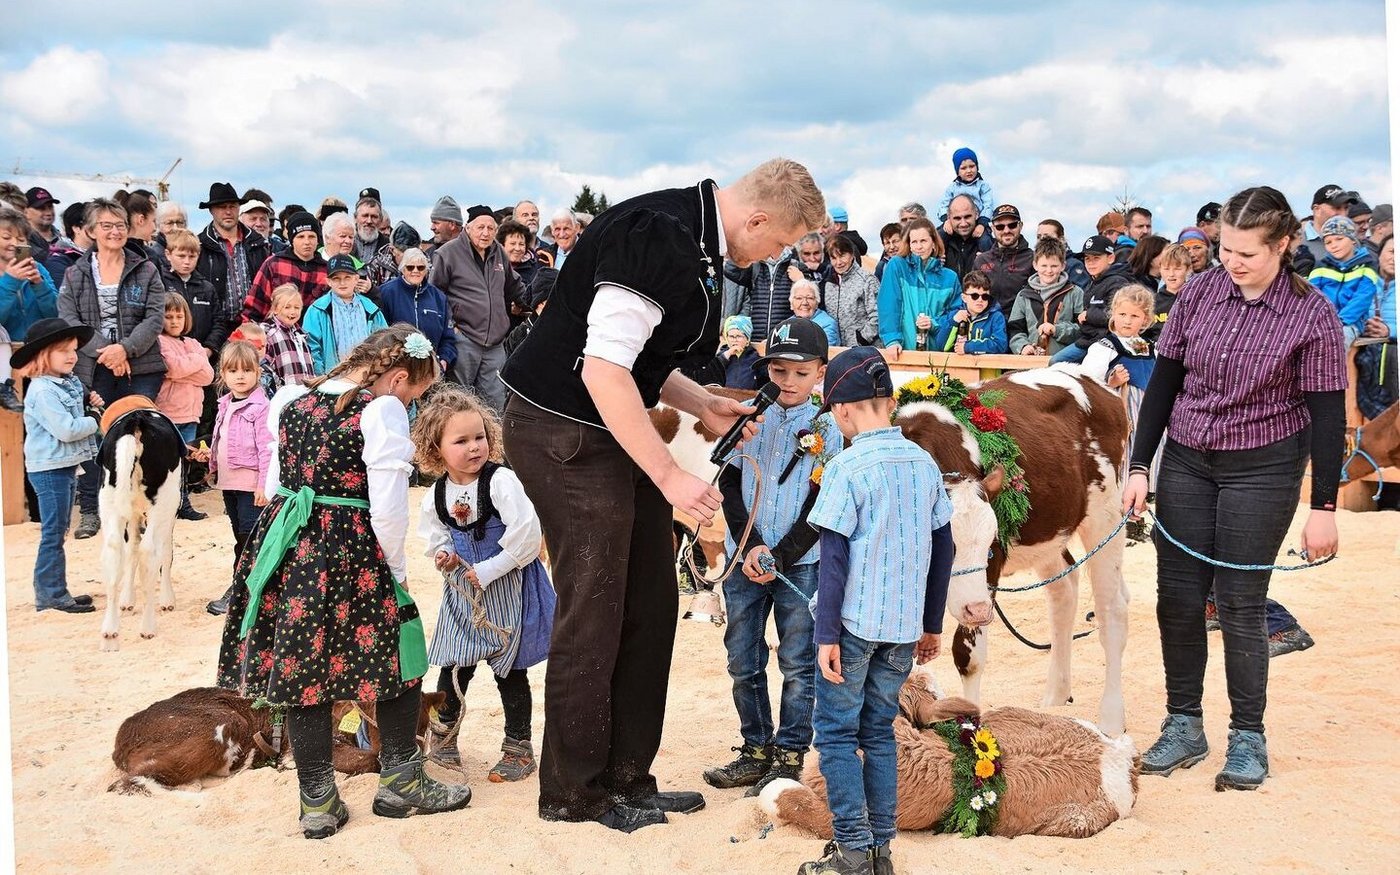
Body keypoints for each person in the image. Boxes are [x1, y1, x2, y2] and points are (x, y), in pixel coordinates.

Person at [500, 158, 824, 833]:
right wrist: (670, 474)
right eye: (781, 242)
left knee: (650, 597)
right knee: (596, 605)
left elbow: (644, 364)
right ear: (758, 218)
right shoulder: (658, 232)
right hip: (564, 428)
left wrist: (701, 398)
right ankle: (575, 792)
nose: (778, 256)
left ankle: (628, 779)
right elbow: (604, 367)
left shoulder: (696, 237)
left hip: (608, 426)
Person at [1122, 186, 1346, 792]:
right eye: (1225, 249)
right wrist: (1140, 466)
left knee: (1241, 602)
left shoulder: (1313, 315)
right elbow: (1165, 383)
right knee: (1178, 597)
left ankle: (1248, 735)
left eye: (1248, 252)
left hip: (1264, 466)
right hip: (1189, 460)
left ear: (1283, 246)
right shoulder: (1196, 294)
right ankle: (1184, 723)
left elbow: (1328, 416)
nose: (1233, 261)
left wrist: (1323, 506)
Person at [213, 325, 463, 837]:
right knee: (399, 647)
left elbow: (279, 482)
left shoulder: (292, 399)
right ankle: (401, 782)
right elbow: (390, 508)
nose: (411, 405)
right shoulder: (381, 410)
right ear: (397, 378)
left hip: (292, 540)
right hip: (348, 542)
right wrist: (395, 571)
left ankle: (318, 803)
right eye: (414, 394)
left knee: (307, 669)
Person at [800, 346, 954, 875]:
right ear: (886, 401)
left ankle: (851, 852)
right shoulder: (924, 463)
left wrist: (825, 636)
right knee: (878, 733)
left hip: (852, 626)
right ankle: (881, 851)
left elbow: (834, 559)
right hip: (902, 628)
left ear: (842, 410)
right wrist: (932, 624)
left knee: (838, 735)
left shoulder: (846, 467)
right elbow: (945, 548)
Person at [704, 317, 831, 798]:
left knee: (798, 661)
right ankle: (755, 748)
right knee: (742, 656)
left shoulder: (828, 428)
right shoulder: (747, 419)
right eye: (779, 371)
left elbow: (822, 505)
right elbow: (732, 483)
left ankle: (790, 753)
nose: (789, 382)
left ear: (819, 372)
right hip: (744, 559)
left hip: (800, 561)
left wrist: (778, 554)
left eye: (801, 372)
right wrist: (753, 544)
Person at [412, 384, 553, 782]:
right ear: (436, 447)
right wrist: (443, 555)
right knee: (455, 666)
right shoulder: (436, 494)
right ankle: (444, 739)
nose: (474, 447)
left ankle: (517, 747)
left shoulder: (501, 482)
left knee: (510, 670)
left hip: (507, 585)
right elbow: (436, 534)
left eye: (479, 437)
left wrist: (491, 568)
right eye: (461, 441)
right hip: (463, 593)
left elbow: (527, 533)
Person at [57, 198, 168, 541]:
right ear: (90, 230)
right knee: (97, 436)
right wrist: (105, 350)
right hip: (94, 366)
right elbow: (68, 318)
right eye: (106, 225)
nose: (115, 231)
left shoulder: (145, 268)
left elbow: (155, 316)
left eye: (120, 224)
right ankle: (92, 509)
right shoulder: (75, 274)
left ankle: (143, 508)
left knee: (140, 435)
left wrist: (126, 348)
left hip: (142, 365)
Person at [12, 317, 99, 613]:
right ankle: (50, 594)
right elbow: (67, 429)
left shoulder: (65, 383)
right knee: (53, 532)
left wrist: (89, 401)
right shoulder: (43, 391)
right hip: (49, 469)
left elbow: (76, 409)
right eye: (63, 350)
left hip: (63, 464)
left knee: (58, 529)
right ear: (43, 355)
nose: (72, 356)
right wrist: (95, 420)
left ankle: (56, 590)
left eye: (73, 349)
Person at [430, 206, 528, 410]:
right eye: (480, 227)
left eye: (491, 228)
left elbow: (515, 286)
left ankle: (493, 443)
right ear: (467, 228)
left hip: (495, 343)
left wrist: (533, 303)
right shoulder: (447, 253)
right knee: (458, 402)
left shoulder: (499, 252)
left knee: (495, 405)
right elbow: (435, 294)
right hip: (464, 337)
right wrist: (451, 325)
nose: (485, 233)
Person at [155, 291, 215, 521]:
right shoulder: (161, 342)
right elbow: (172, 369)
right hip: (168, 412)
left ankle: (183, 502)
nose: (174, 321)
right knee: (165, 461)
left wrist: (187, 370)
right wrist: (198, 361)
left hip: (191, 414)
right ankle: (163, 505)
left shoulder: (192, 343)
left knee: (184, 461)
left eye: (178, 317)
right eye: (168, 317)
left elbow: (208, 376)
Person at [195, 183, 271, 353]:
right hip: (215, 328)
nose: (228, 211)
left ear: (239, 208)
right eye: (222, 207)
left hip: (253, 324)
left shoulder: (258, 243)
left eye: (232, 206)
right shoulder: (200, 245)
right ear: (211, 210)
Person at [1, 207, 60, 409]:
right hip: (6, 365)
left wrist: (38, 285)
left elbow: (55, 314)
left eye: (20, 239)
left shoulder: (39, 269)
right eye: (6, 237)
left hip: (40, 357)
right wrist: (9, 282)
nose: (14, 244)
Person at [877, 217, 961, 354]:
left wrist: (934, 323)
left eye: (923, 241)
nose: (919, 247)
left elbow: (956, 314)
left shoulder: (950, 277)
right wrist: (892, 340)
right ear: (909, 245)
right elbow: (888, 305)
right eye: (914, 242)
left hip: (938, 354)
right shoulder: (897, 266)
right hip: (904, 352)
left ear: (934, 243)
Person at [1051, 234, 1134, 365]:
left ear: (1111, 258)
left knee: (1058, 361)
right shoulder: (1093, 282)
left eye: (1096, 258)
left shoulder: (1118, 282)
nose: (1090, 263)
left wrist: (1089, 315)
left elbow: (1117, 316)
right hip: (1088, 340)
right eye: (1087, 259)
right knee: (1055, 362)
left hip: (1107, 344)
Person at [304, 255, 388, 375]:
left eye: (347, 277)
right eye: (336, 278)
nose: (342, 283)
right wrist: (322, 377)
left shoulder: (371, 309)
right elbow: (311, 346)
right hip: (332, 379)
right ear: (328, 281)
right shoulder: (317, 310)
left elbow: (384, 342)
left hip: (367, 378)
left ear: (356, 279)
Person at [1306, 215, 1382, 347]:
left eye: (1339, 239)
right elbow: (1311, 295)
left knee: (1338, 340)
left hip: (1350, 323)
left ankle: (1334, 367)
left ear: (1353, 240)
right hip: (1321, 322)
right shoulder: (1320, 266)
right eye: (1328, 242)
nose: (1333, 245)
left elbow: (1361, 299)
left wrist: (1339, 321)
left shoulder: (1368, 265)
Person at [377, 247, 456, 374]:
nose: (415, 271)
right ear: (402, 269)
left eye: (420, 267)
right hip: (396, 366)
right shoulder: (386, 292)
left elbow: (448, 337)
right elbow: (379, 332)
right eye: (410, 267)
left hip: (431, 368)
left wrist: (444, 360)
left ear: (426, 270)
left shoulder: (438, 297)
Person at [241, 211, 328, 321]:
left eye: (311, 236)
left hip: (314, 335)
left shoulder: (326, 270)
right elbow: (255, 305)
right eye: (300, 237)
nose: (307, 242)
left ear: (318, 239)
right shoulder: (274, 264)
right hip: (276, 334)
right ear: (292, 240)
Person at [1008, 236, 1083, 356]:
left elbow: (1083, 330)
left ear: (1063, 266)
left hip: (1064, 363)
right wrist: (1022, 346)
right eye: (1044, 266)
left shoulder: (1075, 293)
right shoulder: (1023, 296)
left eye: (1054, 266)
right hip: (1031, 364)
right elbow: (1014, 329)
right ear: (1035, 265)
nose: (1049, 271)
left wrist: (1057, 330)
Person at [1353, 233, 1395, 423]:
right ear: (1379, 254)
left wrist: (1389, 331)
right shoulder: (1362, 282)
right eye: (1392, 252)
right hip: (1361, 356)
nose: (1395, 258)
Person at [972, 204, 1034, 316]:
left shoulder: (1034, 260)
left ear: (1020, 226)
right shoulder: (981, 261)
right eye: (1000, 227)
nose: (1006, 230)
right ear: (992, 229)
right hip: (987, 325)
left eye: (1012, 225)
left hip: (1021, 328)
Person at [823, 233, 880, 346]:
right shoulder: (829, 283)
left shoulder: (867, 279)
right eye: (834, 258)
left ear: (851, 254)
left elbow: (877, 314)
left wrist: (862, 339)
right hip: (838, 350)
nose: (838, 262)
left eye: (842, 255)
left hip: (864, 349)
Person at [931, 271, 1008, 354]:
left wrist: (968, 347)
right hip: (959, 366)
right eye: (974, 296)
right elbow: (942, 346)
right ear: (964, 298)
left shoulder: (996, 317)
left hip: (987, 366)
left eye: (985, 296)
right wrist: (954, 322)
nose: (980, 300)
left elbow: (1001, 345)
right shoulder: (955, 315)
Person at [261, 284, 316, 388]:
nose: (293, 312)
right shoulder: (268, 333)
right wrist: (278, 388)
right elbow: (263, 367)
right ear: (275, 309)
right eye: (287, 307)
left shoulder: (301, 336)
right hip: (283, 397)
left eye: (297, 308)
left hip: (305, 396)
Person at [937, 194, 993, 281]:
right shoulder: (937, 240)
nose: (963, 223)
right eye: (957, 218)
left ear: (977, 214)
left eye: (967, 217)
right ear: (948, 218)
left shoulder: (990, 241)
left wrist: (989, 267)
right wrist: (932, 262)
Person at [1146, 242, 1193, 342]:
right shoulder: (1151, 302)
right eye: (1166, 269)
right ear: (1160, 269)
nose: (1171, 274)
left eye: (1177, 269)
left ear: (1188, 269)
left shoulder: (1197, 299)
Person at [936, 146, 994, 222]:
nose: (969, 170)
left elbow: (988, 205)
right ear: (957, 172)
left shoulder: (983, 186)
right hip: (956, 222)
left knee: (986, 234)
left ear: (977, 167)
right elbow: (943, 205)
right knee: (940, 232)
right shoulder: (952, 188)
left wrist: (982, 222)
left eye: (972, 166)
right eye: (964, 168)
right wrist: (947, 220)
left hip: (978, 222)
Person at [717, 314, 761, 390]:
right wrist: (728, 354)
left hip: (746, 396)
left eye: (739, 336)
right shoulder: (723, 354)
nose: (735, 340)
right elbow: (714, 369)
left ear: (747, 340)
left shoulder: (754, 356)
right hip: (725, 395)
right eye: (731, 336)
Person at [790, 280, 839, 345]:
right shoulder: (787, 324)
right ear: (791, 304)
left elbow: (827, 353)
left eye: (810, 298)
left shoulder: (828, 324)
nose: (804, 303)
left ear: (817, 303)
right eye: (799, 298)